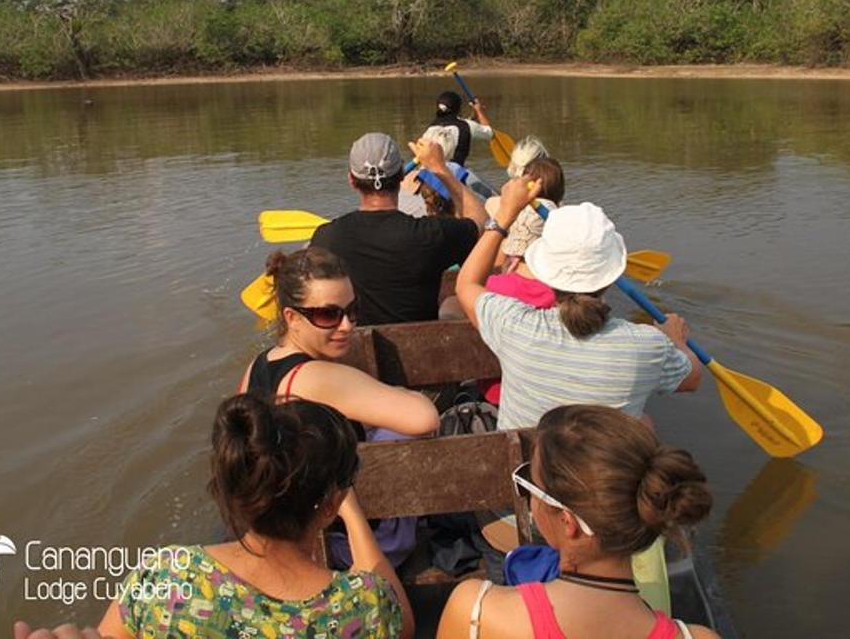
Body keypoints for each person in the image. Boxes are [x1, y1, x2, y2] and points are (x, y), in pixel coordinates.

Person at [95, 396, 413, 638]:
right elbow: (406, 626)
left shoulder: (164, 578)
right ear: (330, 504)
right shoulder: (365, 606)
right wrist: (351, 512)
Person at [436, 404, 719, 639]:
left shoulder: (477, 612)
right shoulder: (699, 637)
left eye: (530, 484)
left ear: (567, 521)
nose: (528, 495)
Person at [456, 179, 704, 430]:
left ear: (545, 270)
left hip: (525, 465)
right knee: (644, 424)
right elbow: (692, 378)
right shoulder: (648, 345)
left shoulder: (513, 324)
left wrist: (505, 214)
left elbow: (466, 284)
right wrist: (677, 341)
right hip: (604, 467)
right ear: (610, 278)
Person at [238, 246, 439, 438]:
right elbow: (425, 418)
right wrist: (402, 392)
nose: (346, 326)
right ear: (292, 318)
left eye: (351, 310)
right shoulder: (318, 377)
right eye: (328, 314)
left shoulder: (256, 366)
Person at [311, 133, 484, 325]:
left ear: (351, 180)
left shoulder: (325, 238)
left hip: (350, 349)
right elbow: (481, 223)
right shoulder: (432, 234)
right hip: (422, 350)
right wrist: (439, 168)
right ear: (402, 175)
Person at [484, 156, 565, 276]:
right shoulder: (556, 214)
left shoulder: (508, 206)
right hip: (540, 269)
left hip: (509, 262)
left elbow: (490, 203)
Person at [429, 90, 493, 167]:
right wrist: (479, 111)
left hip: (430, 169)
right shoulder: (466, 126)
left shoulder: (431, 127)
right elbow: (489, 133)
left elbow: (457, 126)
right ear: (459, 108)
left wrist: (474, 115)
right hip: (453, 173)